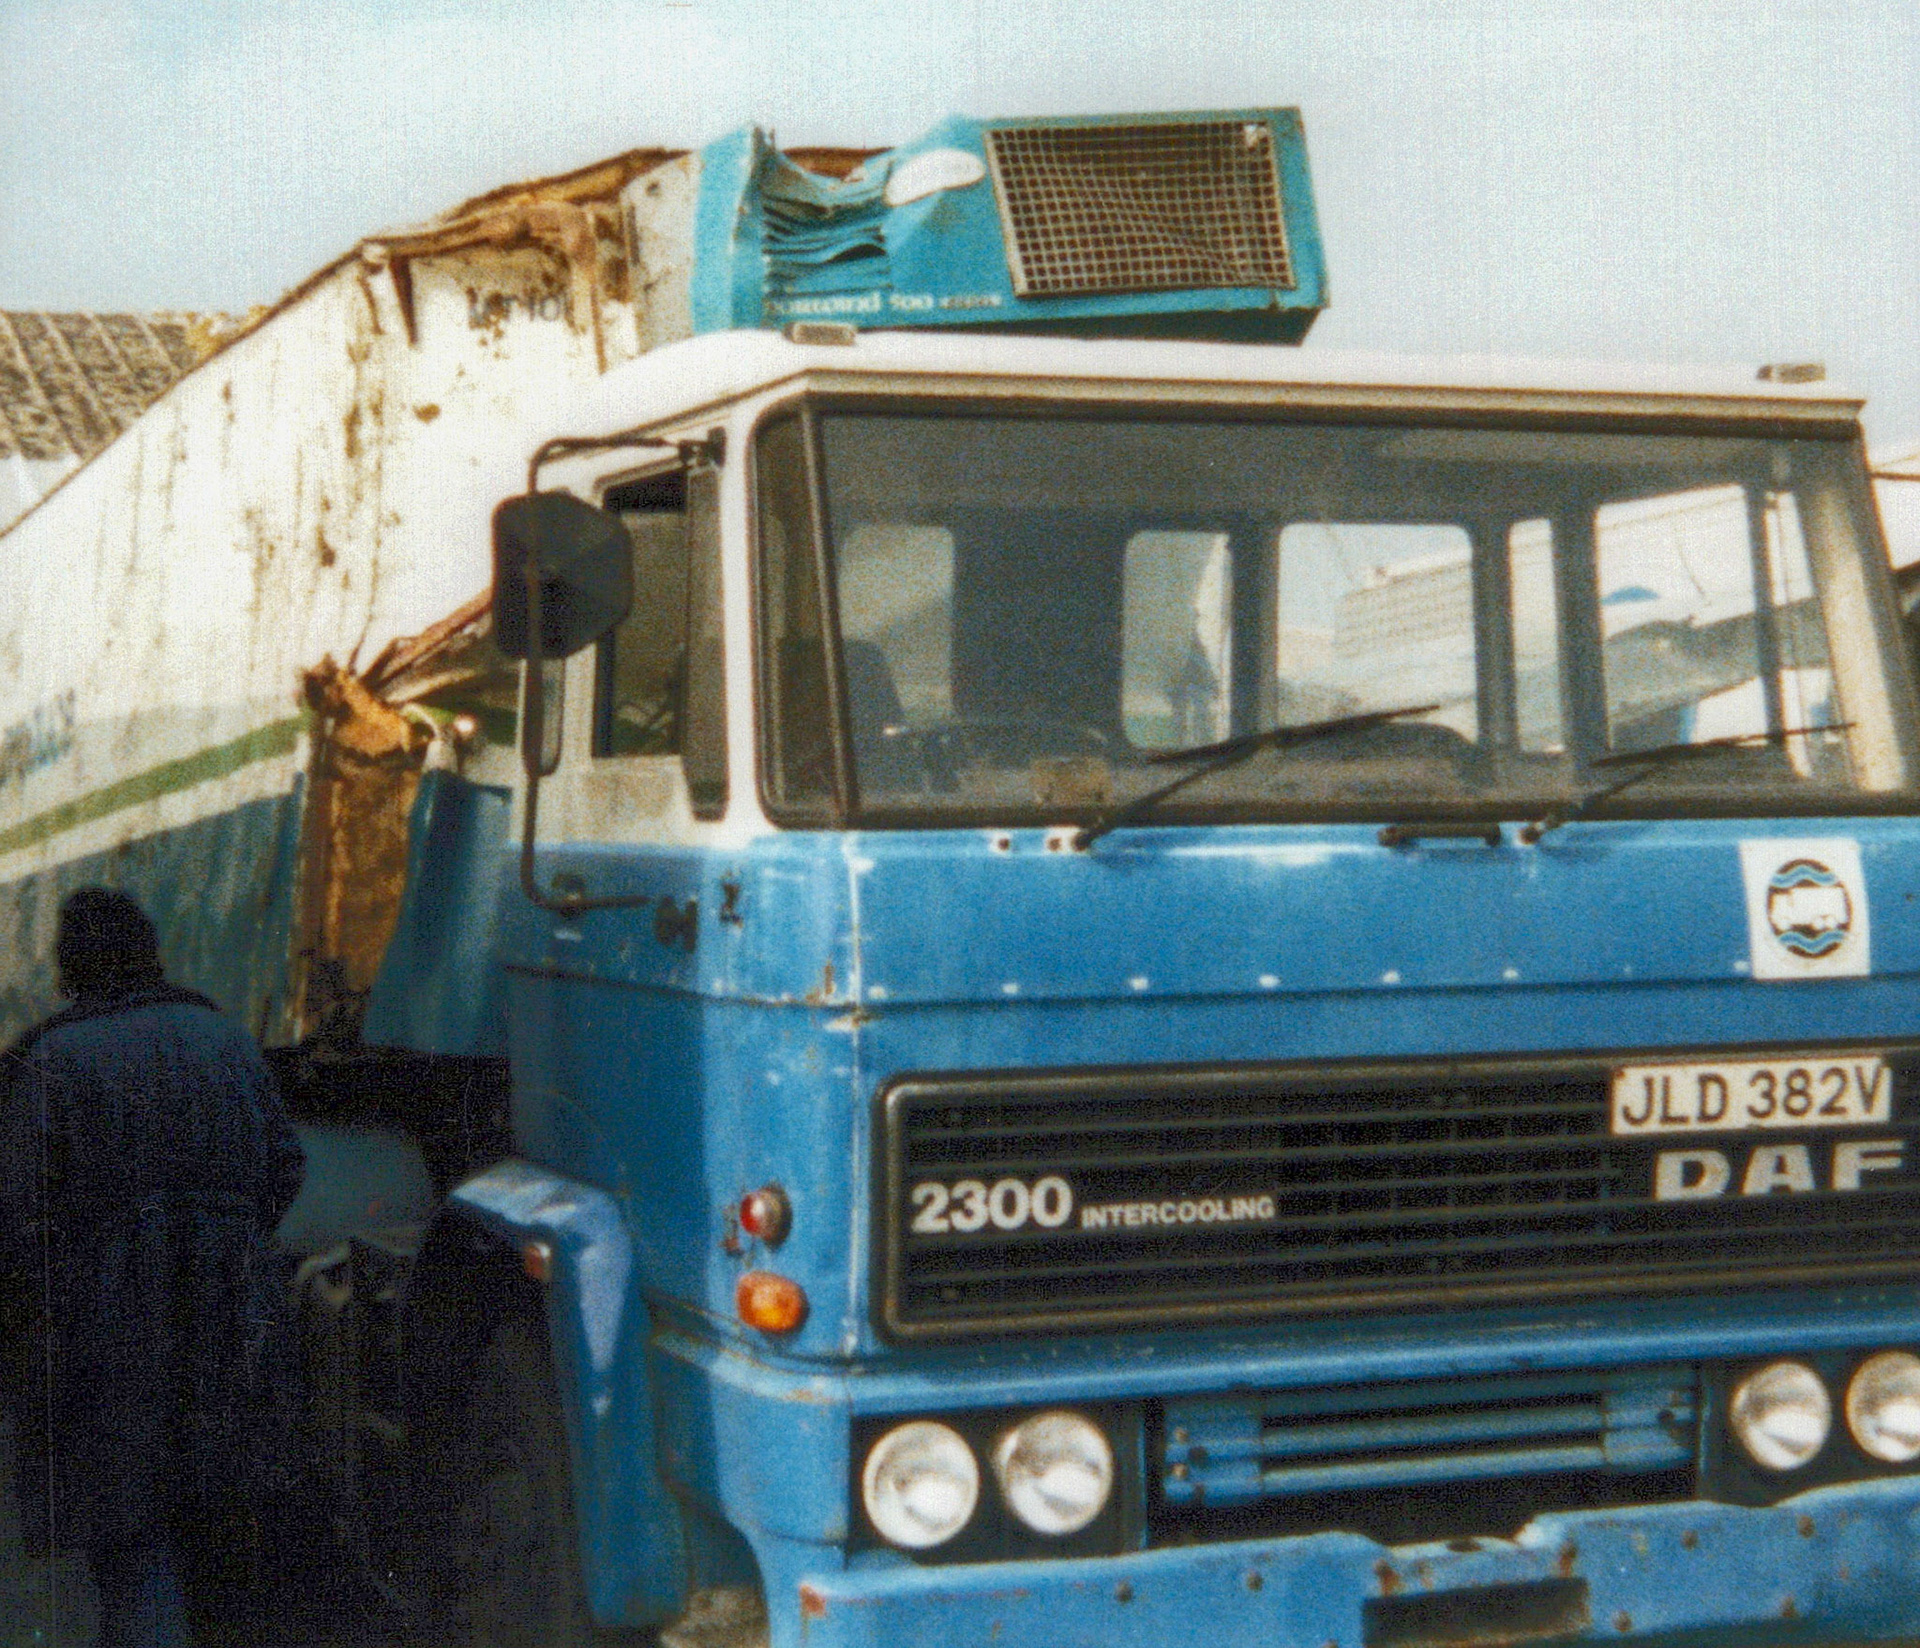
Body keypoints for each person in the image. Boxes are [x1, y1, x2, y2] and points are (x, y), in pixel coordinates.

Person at [0, 887, 306, 1648]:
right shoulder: (224, 1038)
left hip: (111, 1331)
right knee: (226, 1520)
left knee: (134, 1538)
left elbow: (20, 1216)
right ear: (149, 949)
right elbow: (286, 1164)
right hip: (236, 1313)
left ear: (71, 968)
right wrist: (229, 1243)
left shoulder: (53, 1062)